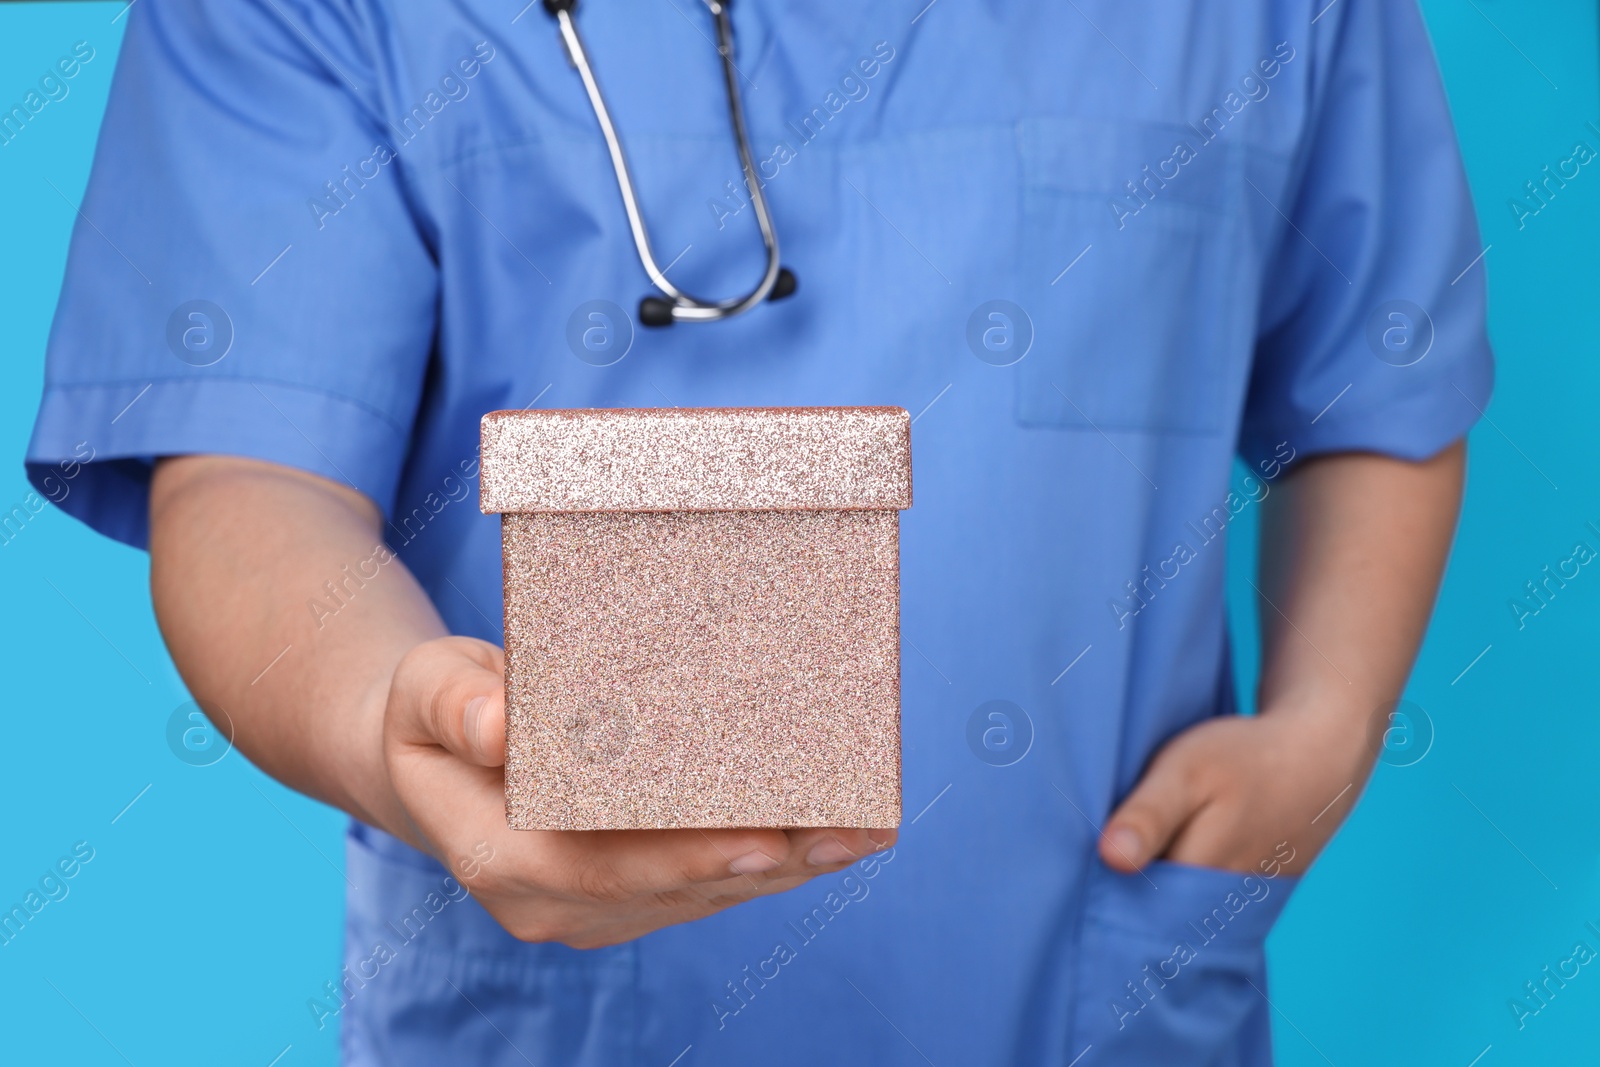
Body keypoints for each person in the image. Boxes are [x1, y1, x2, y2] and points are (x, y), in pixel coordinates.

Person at [27, 0, 1492, 1063]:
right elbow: (246, 476)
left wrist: (1328, 724)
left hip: (1091, 980)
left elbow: (1381, 376)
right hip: (556, 1021)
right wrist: (387, 715)